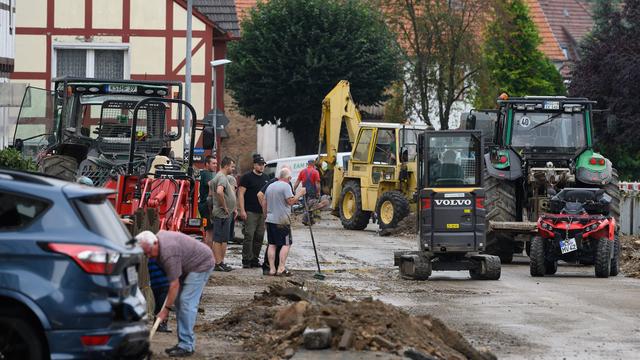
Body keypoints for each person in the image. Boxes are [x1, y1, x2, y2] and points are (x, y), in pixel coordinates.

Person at [136, 230, 214, 358]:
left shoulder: (168, 252)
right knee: (179, 302)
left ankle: (187, 346)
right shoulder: (158, 245)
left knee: (186, 302)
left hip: (201, 264)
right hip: (186, 266)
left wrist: (165, 310)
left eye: (149, 252)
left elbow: (174, 285)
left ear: (155, 243)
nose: (149, 256)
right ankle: (183, 343)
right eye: (146, 254)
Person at [265, 168, 306, 276]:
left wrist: (265, 215)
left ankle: (272, 269)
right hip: (282, 220)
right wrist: (300, 193)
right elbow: (291, 201)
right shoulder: (286, 186)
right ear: (288, 178)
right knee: (286, 244)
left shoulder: (270, 186)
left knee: (272, 244)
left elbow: (264, 202)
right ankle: (281, 268)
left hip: (270, 219)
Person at [238, 154, 270, 268]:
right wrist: (242, 210)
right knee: (249, 236)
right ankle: (246, 259)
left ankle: (254, 259)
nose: (262, 167)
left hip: (262, 212)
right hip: (250, 211)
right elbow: (241, 194)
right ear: (254, 165)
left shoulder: (266, 177)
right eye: (259, 164)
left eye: (263, 165)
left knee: (259, 236)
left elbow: (267, 195)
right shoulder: (247, 177)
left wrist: (268, 212)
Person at [209, 156, 237, 272]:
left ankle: (219, 262)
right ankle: (219, 263)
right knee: (220, 239)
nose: (233, 169)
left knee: (221, 238)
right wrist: (225, 207)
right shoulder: (222, 177)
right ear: (226, 166)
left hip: (223, 213)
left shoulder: (221, 176)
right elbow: (219, 192)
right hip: (222, 213)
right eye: (232, 166)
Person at [148, 258, 171, 333]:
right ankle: (161, 324)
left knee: (158, 305)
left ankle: (157, 324)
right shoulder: (160, 258)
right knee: (162, 305)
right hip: (163, 284)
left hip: (155, 284)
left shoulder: (151, 258)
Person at [199, 155, 217, 247]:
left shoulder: (204, 173)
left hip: (204, 206)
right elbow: (212, 185)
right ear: (207, 164)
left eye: (216, 163)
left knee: (207, 231)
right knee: (210, 232)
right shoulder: (207, 174)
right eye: (213, 163)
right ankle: (208, 256)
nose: (215, 165)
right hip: (207, 206)